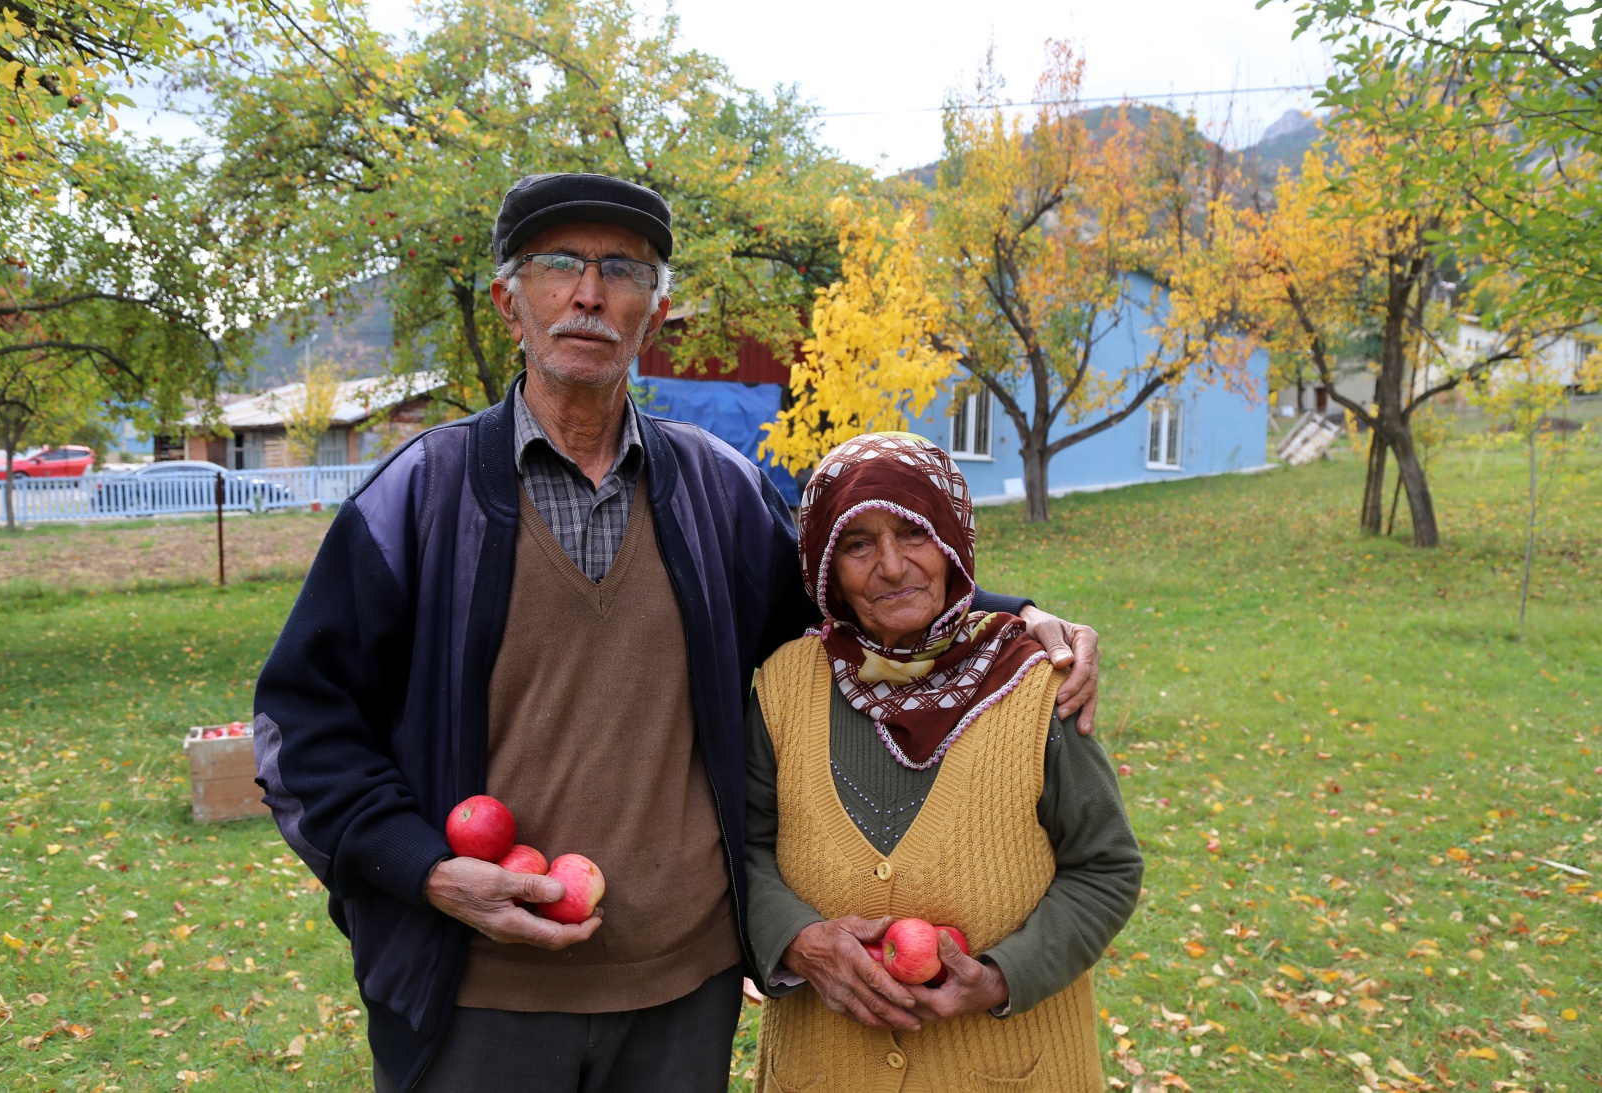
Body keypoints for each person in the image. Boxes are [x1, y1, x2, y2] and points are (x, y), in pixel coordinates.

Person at [251, 172, 1103, 1093]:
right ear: (510, 302)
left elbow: (848, 607)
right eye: (559, 264)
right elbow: (301, 729)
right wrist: (428, 871)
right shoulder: (420, 498)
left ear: (651, 317)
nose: (589, 292)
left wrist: (1006, 617)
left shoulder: (717, 494)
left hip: (680, 999)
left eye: (622, 270)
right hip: (475, 998)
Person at [745, 432, 1143, 1091]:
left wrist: (1002, 975)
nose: (893, 566)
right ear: (824, 566)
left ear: (953, 540)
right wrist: (795, 939)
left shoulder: (1039, 681)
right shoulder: (784, 685)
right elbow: (746, 848)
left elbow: (1106, 867)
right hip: (824, 1067)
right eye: (858, 543)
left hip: (1011, 1068)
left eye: (914, 532)